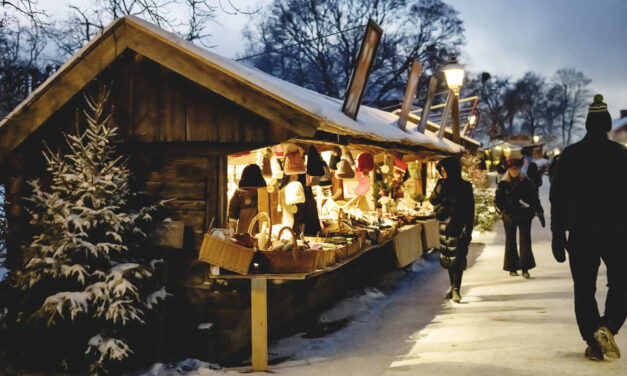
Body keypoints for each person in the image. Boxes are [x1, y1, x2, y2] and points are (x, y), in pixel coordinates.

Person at [550, 94, 627, 361]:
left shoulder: (570, 156)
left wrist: (557, 235)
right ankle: (608, 326)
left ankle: (593, 340)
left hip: (581, 233)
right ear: (607, 125)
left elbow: (556, 198)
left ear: (586, 125)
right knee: (621, 283)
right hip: (617, 232)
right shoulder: (621, 155)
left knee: (584, 289)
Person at [429, 157, 475, 303]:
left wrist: (468, 230)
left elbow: (470, 210)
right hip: (444, 227)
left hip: (459, 226)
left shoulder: (465, 186)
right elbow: (432, 200)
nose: (442, 172)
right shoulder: (442, 184)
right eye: (441, 170)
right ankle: (452, 287)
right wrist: (440, 184)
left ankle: (457, 290)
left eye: (444, 169)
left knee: (458, 259)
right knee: (449, 259)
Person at [495, 157, 545, 279]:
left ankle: (525, 268)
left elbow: (534, 198)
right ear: (508, 170)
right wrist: (503, 211)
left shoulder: (527, 182)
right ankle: (512, 267)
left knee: (525, 242)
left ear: (519, 169)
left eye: (516, 169)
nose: (514, 171)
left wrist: (539, 212)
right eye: (512, 169)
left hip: (524, 215)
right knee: (510, 241)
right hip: (509, 216)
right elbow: (497, 200)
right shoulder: (503, 184)